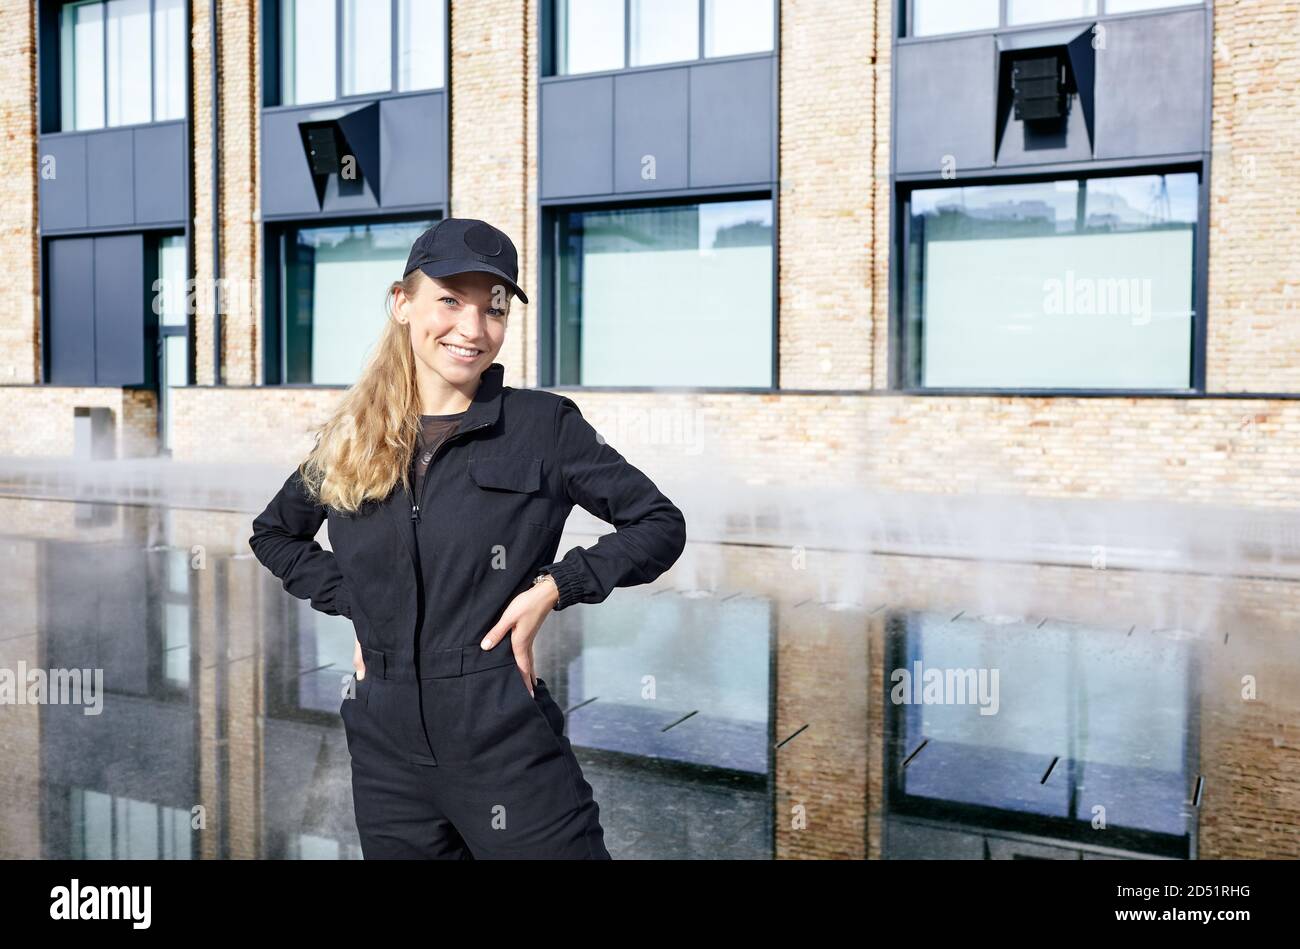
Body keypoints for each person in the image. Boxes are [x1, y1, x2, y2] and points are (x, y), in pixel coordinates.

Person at [248, 217, 687, 859]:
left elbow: (658, 525)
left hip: (502, 738)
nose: (474, 329)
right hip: (385, 751)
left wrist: (555, 588)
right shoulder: (352, 434)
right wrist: (365, 604)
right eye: (450, 300)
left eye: (494, 308)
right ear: (402, 303)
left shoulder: (543, 426)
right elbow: (275, 534)